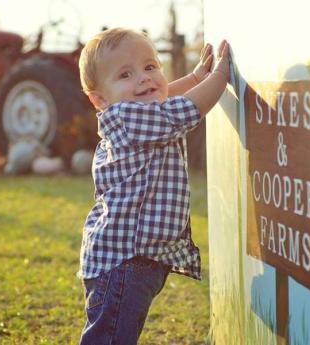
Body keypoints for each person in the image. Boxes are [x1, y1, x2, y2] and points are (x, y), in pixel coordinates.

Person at [77, 27, 230, 345]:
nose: (144, 79)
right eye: (125, 74)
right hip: (124, 262)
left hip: (132, 259)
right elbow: (183, 112)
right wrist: (220, 75)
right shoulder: (128, 118)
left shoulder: (137, 112)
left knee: (115, 333)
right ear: (100, 99)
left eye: (150, 67)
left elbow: (163, 98)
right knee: (112, 338)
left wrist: (194, 79)